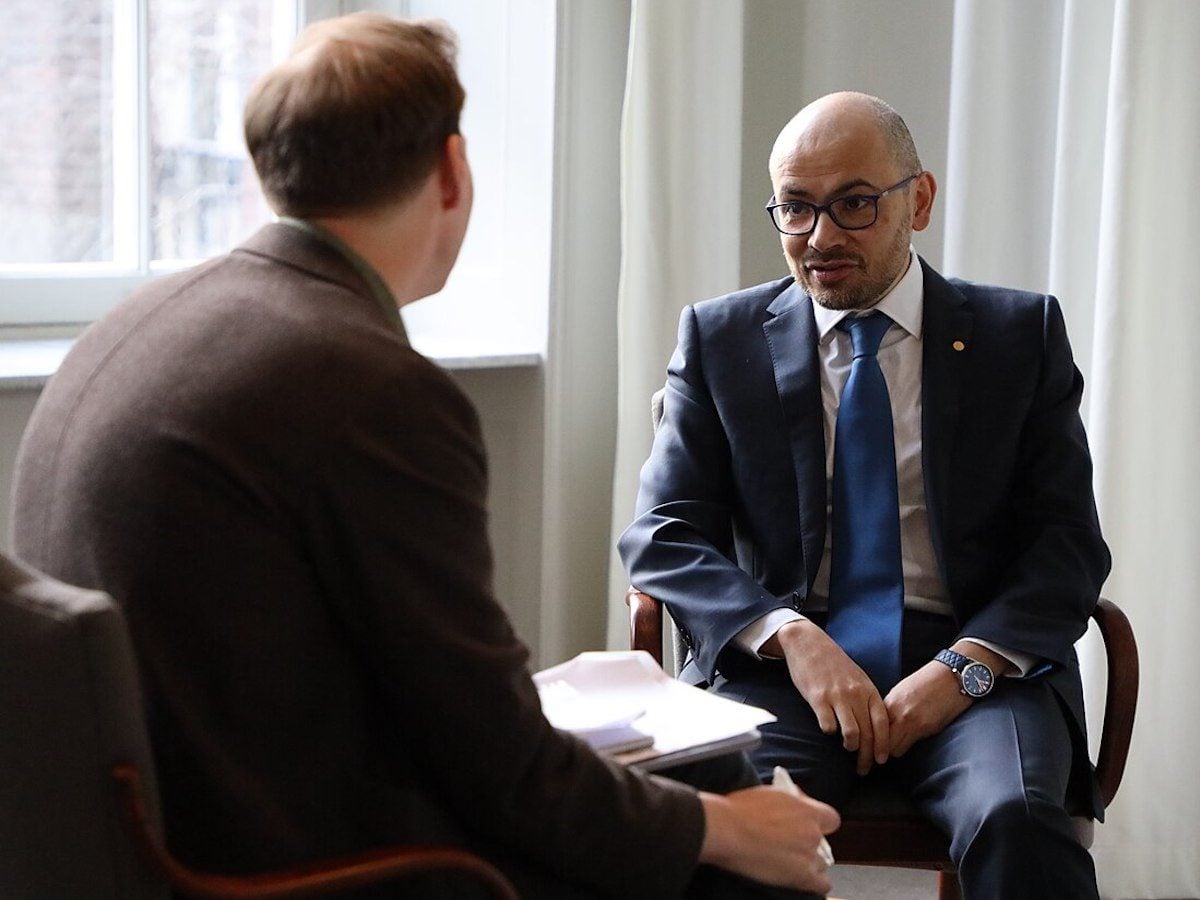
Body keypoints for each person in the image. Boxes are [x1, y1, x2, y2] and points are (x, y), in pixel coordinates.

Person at [9, 13, 838, 900]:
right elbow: (499, 767)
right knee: (738, 834)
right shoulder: (368, 387)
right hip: (295, 865)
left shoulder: (138, 322)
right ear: (452, 168)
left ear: (267, 168)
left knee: (692, 786)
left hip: (153, 828)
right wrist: (721, 830)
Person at [619, 91, 1111, 899]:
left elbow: (1067, 544)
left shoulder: (1017, 337)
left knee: (1017, 821)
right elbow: (664, 532)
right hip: (787, 670)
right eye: (795, 209)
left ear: (917, 200)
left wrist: (963, 669)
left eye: (852, 204)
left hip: (978, 669)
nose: (820, 238)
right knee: (735, 833)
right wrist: (793, 640)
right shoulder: (720, 337)